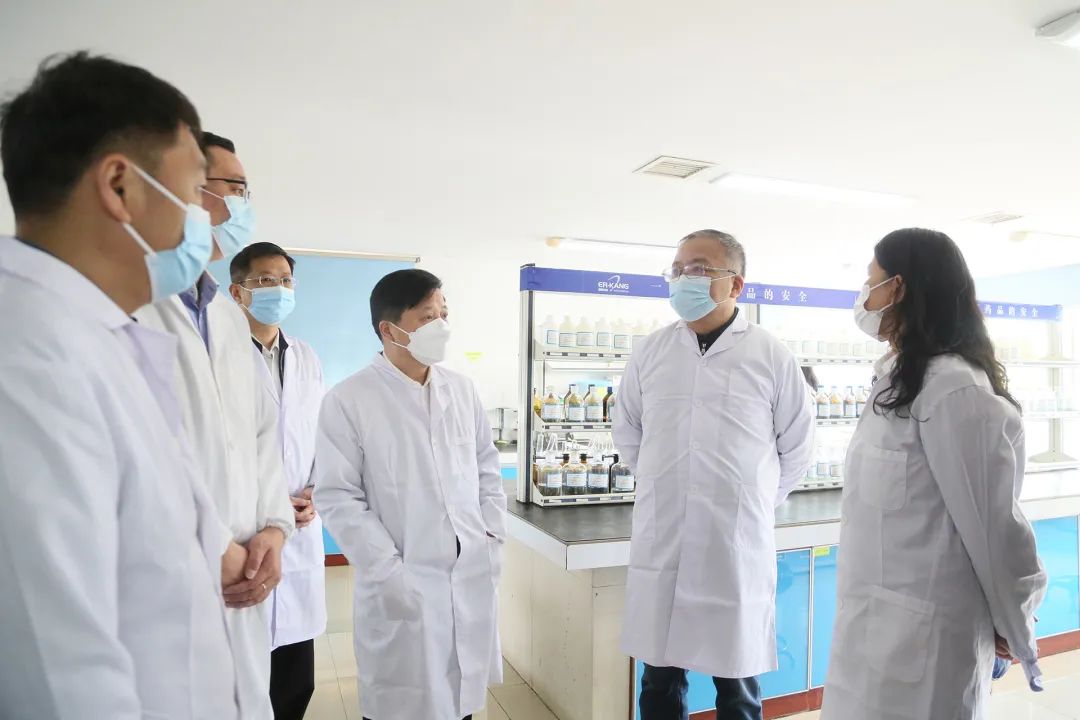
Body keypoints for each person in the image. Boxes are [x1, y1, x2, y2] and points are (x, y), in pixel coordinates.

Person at [0, 52, 238, 718]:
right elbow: (56, 672)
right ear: (119, 185)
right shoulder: (26, 358)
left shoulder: (99, 335)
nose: (208, 219)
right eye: (197, 191)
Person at [819, 228, 1047, 720]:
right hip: (873, 626)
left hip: (929, 638)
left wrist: (1015, 621)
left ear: (898, 288)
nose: (865, 296)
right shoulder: (898, 378)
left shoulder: (954, 389)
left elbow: (993, 526)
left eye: (871, 282)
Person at [613, 229, 815, 720]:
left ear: (736, 284)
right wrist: (664, 485)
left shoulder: (770, 355)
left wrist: (752, 500)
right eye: (677, 269)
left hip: (733, 544)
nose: (684, 278)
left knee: (737, 683)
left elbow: (798, 445)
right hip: (666, 537)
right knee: (659, 680)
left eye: (699, 268)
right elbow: (628, 431)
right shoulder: (652, 351)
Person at [134, 132, 294, 718]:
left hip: (249, 566)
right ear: (180, 188)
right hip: (166, 578)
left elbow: (259, 437)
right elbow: (137, 453)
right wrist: (210, 547)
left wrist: (274, 530)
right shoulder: (129, 305)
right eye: (235, 188)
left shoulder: (226, 316)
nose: (242, 205)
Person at [315, 269, 506, 720]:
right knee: (404, 702)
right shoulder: (349, 399)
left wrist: (491, 536)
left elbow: (486, 467)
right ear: (389, 329)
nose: (442, 325)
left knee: (460, 701)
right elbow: (339, 496)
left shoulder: (461, 390)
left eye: (444, 313)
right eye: (427, 317)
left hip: (467, 570)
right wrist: (390, 572)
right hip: (402, 577)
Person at [229, 242, 327, 720]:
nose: (279, 289)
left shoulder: (306, 356)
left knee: (294, 681)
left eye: (286, 280)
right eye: (265, 281)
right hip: (244, 530)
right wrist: (269, 508)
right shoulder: (217, 354)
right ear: (237, 292)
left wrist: (314, 493)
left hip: (300, 531)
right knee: (242, 681)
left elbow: (320, 436)